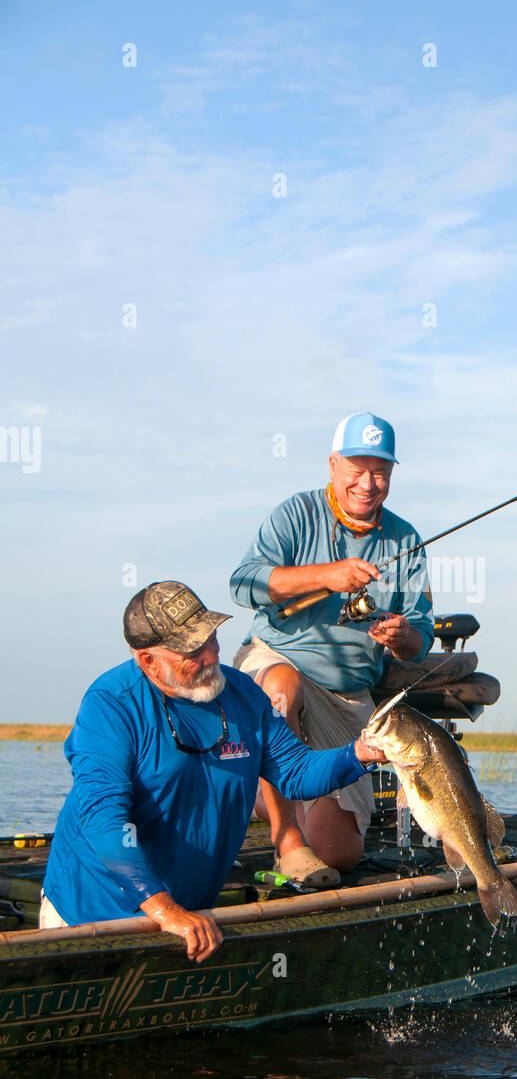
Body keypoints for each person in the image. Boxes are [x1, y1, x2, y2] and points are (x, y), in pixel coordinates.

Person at [40, 581, 384, 961]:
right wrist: (164, 910)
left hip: (190, 917)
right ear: (148, 660)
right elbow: (104, 823)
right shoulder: (110, 705)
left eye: (211, 639)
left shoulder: (243, 693)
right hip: (94, 916)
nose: (209, 656)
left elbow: (296, 771)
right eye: (191, 650)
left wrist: (360, 753)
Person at [230, 412, 433, 880]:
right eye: (356, 469)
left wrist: (403, 637)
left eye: (380, 472)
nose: (367, 483)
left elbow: (419, 642)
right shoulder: (295, 514)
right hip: (278, 661)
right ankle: (286, 836)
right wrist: (325, 574)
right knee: (279, 687)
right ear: (333, 465)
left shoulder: (406, 539)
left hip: (347, 697)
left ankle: (253, 793)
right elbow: (242, 583)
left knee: (337, 853)